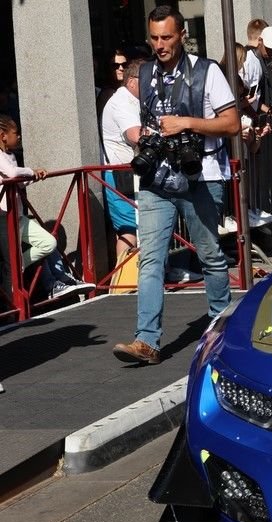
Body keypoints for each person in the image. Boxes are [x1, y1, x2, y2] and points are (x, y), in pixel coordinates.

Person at [111, 5, 240, 365]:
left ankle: (222, 332)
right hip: (157, 177)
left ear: (182, 34)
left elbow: (231, 123)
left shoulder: (207, 70)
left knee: (211, 256)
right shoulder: (148, 71)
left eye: (166, 37)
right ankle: (147, 341)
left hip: (201, 174)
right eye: (154, 38)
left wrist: (186, 123)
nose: (160, 44)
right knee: (151, 258)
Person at [0, 115, 91, 299]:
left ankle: (21, 267)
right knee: (11, 269)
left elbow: (17, 182)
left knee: (48, 242)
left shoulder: (10, 155)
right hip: (3, 218)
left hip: (17, 215)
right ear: (3, 136)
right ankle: (14, 313)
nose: (18, 137)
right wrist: (31, 171)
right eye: (15, 133)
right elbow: (11, 174)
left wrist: (31, 178)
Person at [100, 57, 143, 264]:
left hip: (130, 174)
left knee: (135, 227)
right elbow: (135, 135)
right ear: (132, 81)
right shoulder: (121, 102)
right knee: (129, 228)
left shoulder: (132, 100)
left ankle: (131, 279)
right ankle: (123, 283)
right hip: (119, 174)